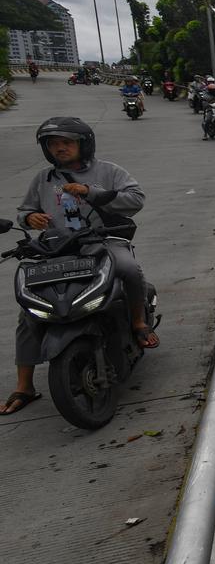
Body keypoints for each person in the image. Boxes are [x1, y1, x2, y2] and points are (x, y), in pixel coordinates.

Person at [1, 118, 157, 415]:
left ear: (83, 144)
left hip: (104, 241)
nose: (59, 148)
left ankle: (138, 323)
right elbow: (25, 211)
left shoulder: (108, 171)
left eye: (66, 142)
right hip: (57, 248)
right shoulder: (43, 179)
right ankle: (24, 386)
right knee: (30, 312)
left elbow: (136, 198)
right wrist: (29, 219)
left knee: (128, 269)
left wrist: (91, 193)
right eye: (53, 144)